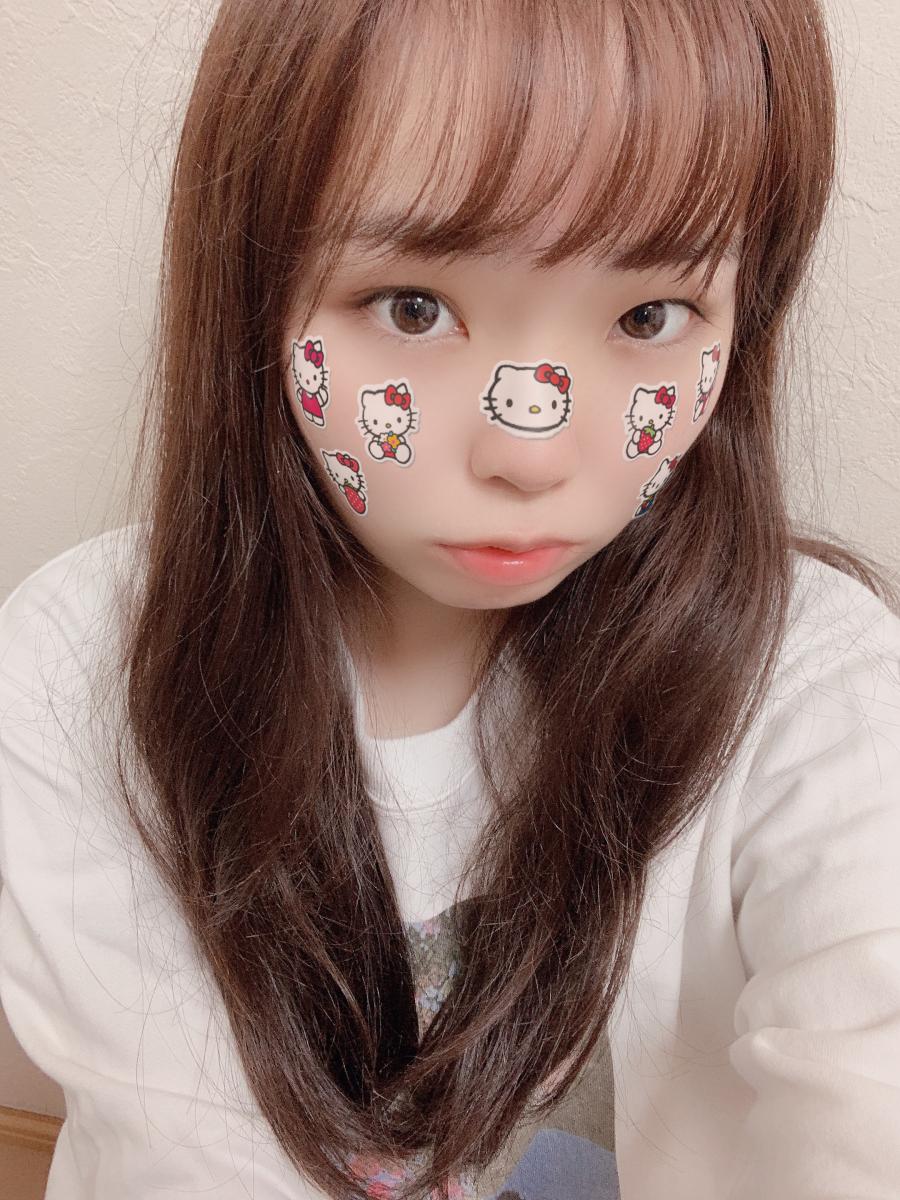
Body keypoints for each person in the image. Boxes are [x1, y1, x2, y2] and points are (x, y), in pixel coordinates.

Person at [1, 1, 899, 1198]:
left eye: (648, 316)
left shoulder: (814, 687)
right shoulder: (82, 670)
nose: (531, 453)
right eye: (413, 307)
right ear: (256, 290)